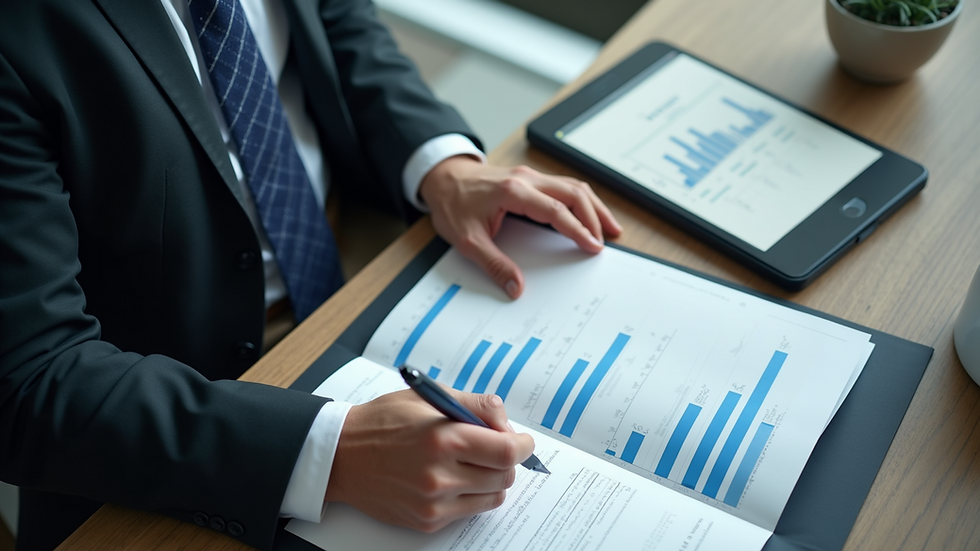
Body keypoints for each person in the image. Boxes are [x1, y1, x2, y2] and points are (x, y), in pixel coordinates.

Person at [0, 0, 622, 549]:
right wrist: (333, 454)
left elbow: (341, 24)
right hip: (161, 420)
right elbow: (27, 381)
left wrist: (442, 165)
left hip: (347, 275)